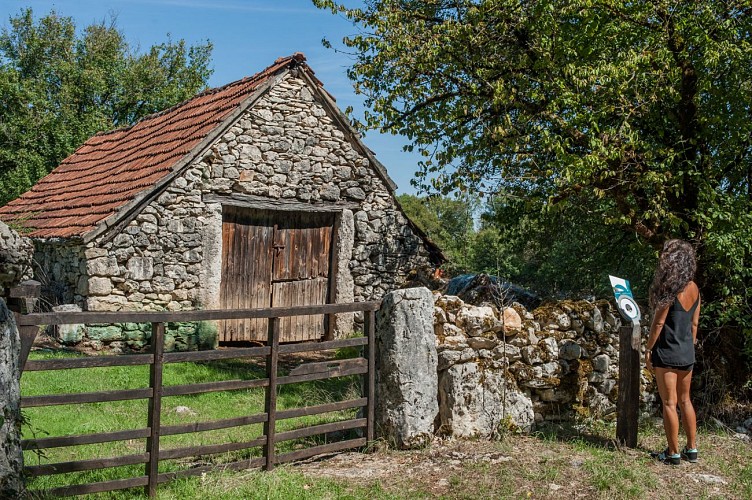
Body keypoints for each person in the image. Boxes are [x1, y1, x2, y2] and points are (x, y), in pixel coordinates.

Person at [645, 239, 701, 465]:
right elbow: (694, 325)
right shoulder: (694, 287)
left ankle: (673, 453)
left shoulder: (670, 288)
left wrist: (648, 349)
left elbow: (658, 324)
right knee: (686, 401)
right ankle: (692, 449)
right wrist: (688, 345)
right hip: (686, 352)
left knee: (669, 403)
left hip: (667, 352)